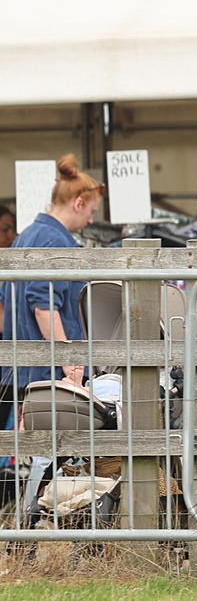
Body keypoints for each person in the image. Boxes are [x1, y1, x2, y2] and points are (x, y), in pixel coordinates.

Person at [0, 155, 103, 428]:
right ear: (78, 203)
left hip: (26, 370)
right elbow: (44, 307)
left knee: (36, 451)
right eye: (91, 212)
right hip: (50, 371)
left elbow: (5, 306)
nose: (91, 221)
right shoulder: (54, 241)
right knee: (55, 450)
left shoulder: (27, 235)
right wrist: (68, 359)